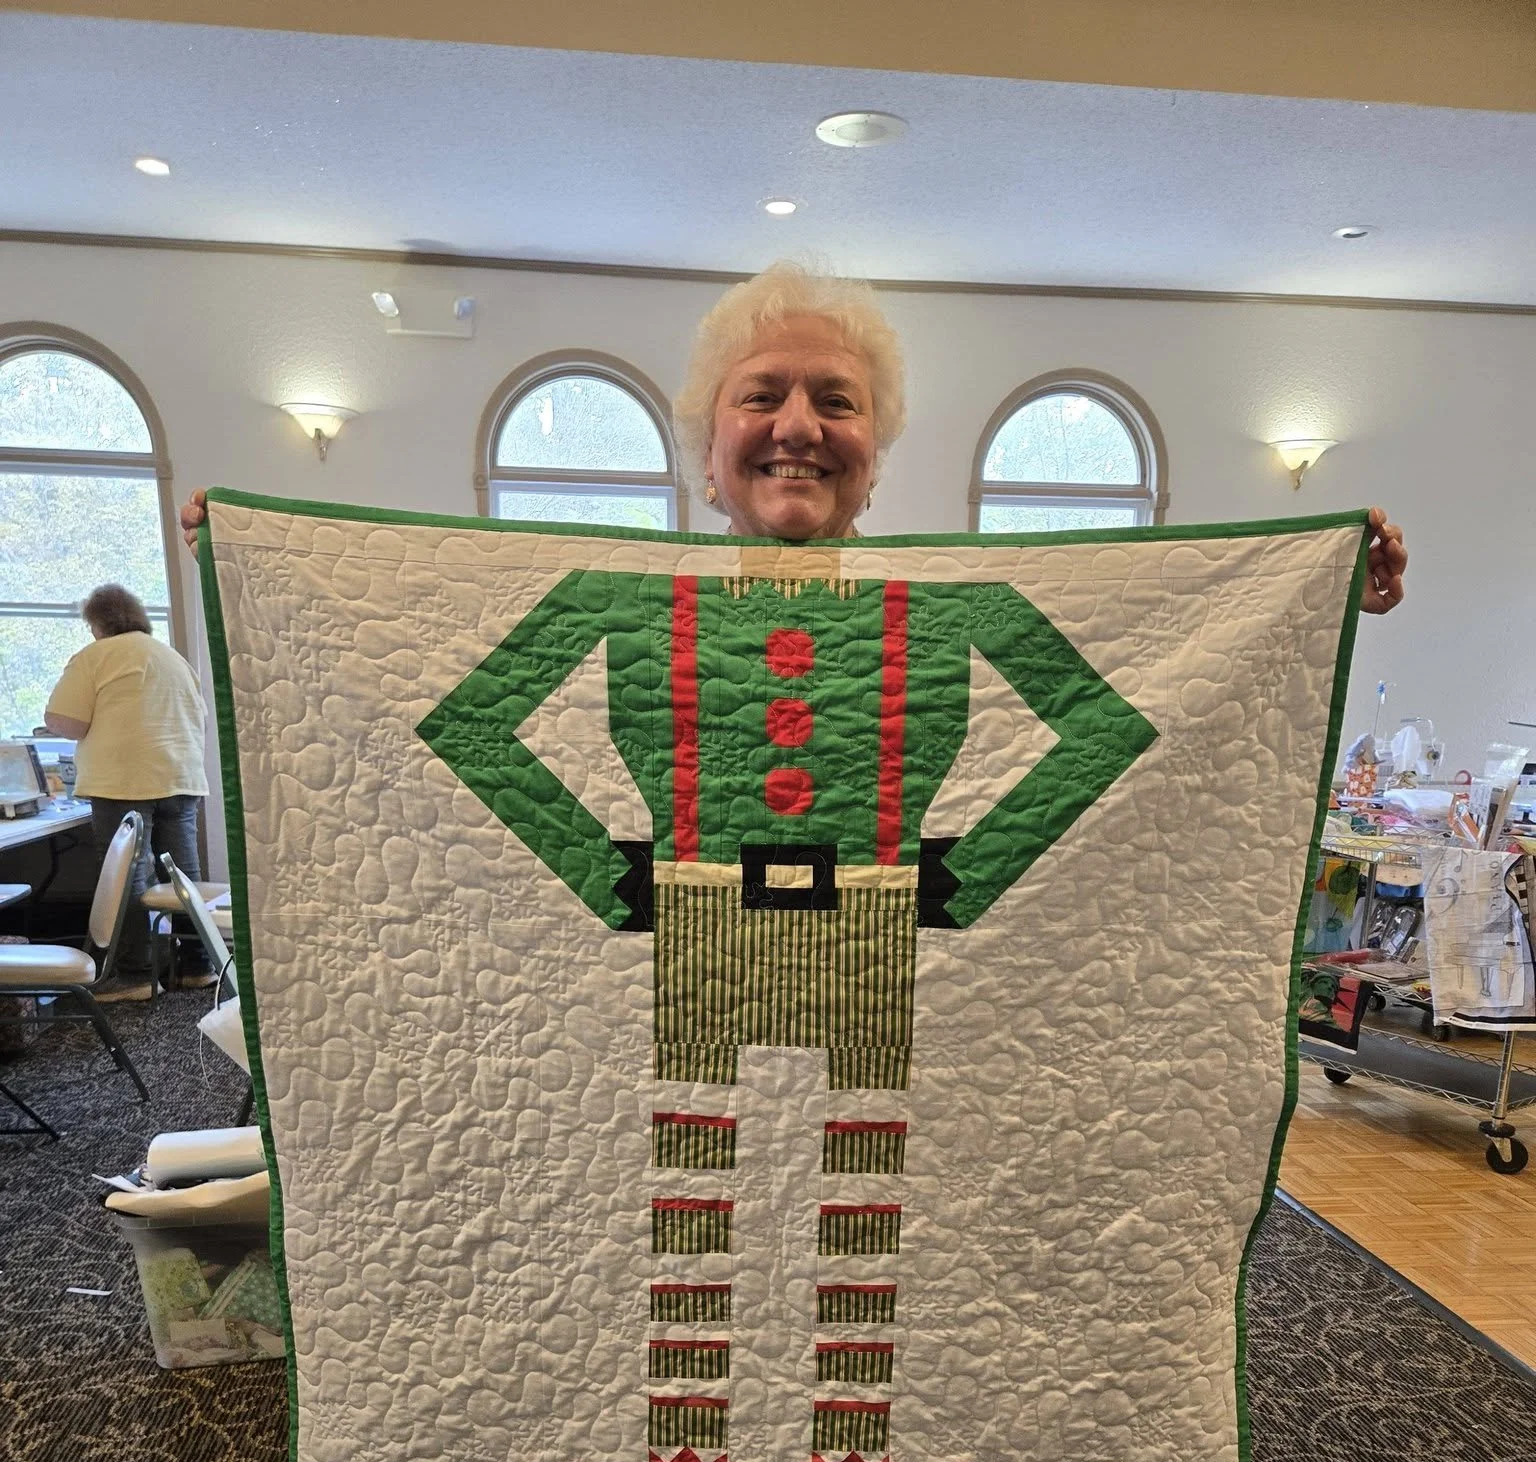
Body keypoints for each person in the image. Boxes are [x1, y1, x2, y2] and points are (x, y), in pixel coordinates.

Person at [180, 262, 1408, 603]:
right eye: (761, 394)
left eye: (838, 400)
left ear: (879, 445)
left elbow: (1151, 673)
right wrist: (266, 563)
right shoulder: (603, 590)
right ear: (706, 443)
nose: (798, 428)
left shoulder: (950, 599)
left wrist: (1308, 594)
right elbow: (427, 648)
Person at [43, 583, 212, 1000]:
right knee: (183, 877)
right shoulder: (172, 658)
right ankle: (196, 966)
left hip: (123, 779)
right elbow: (199, 716)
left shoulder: (95, 656)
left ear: (96, 623)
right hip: (180, 776)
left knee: (128, 877)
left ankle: (136, 975)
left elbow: (67, 721)